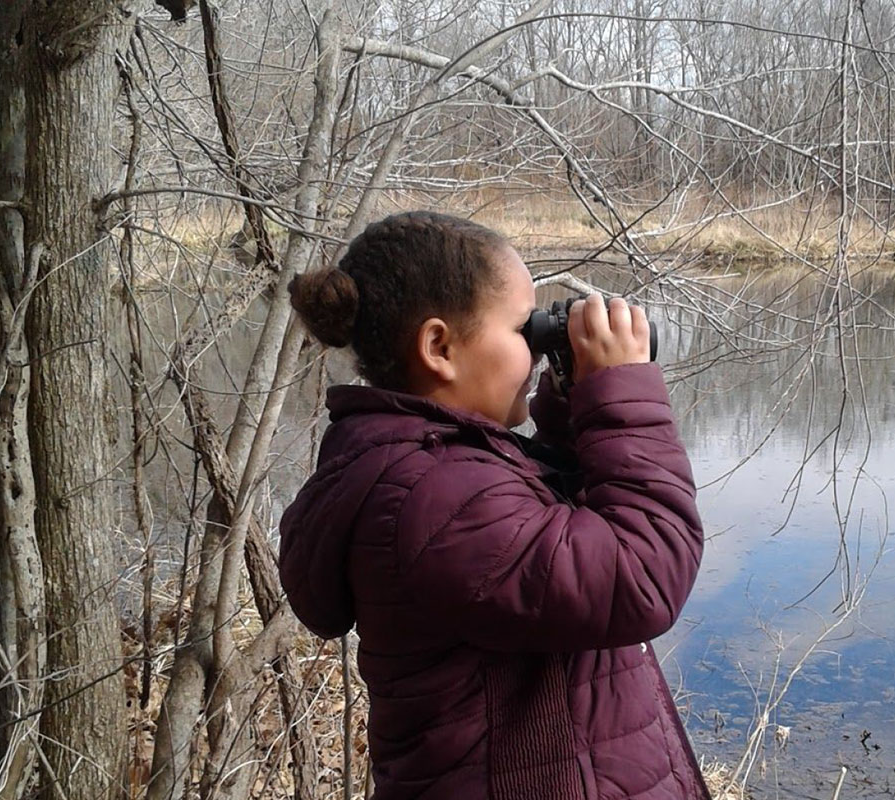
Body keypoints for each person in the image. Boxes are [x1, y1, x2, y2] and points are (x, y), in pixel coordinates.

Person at [279, 210, 709, 800]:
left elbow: (552, 538)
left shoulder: (437, 470)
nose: (535, 352)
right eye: (521, 332)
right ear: (439, 347)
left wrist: (572, 408)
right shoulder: (430, 500)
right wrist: (622, 397)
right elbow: (641, 574)